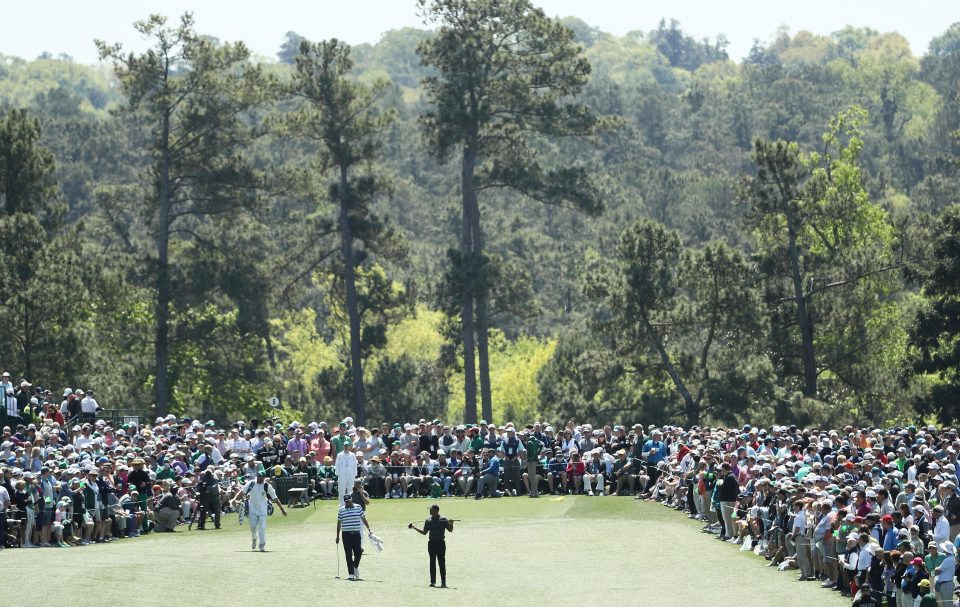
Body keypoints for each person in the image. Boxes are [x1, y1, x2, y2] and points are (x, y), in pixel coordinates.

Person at [409, 504, 454, 587]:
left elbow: (450, 530)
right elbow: (424, 532)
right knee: (432, 562)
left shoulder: (443, 519)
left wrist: (451, 523)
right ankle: (433, 581)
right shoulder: (428, 520)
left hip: (441, 543)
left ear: (436, 511)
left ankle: (443, 582)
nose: (429, 511)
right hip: (431, 544)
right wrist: (414, 527)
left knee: (441, 562)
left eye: (431, 509)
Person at [242, 469, 287, 551]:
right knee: (252, 527)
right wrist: (234, 499)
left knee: (262, 528)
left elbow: (275, 498)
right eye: (257, 475)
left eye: (259, 476)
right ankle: (254, 538)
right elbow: (242, 491)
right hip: (252, 509)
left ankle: (262, 545)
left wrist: (282, 509)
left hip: (263, 509)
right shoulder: (251, 483)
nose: (257, 477)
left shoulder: (267, 486)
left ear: (263, 477)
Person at [336, 493, 371, 581]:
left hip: (356, 534)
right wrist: (337, 536)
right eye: (346, 502)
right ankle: (351, 573)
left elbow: (363, 519)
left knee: (358, 552)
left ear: (351, 500)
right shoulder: (341, 510)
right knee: (348, 554)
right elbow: (339, 523)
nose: (348, 503)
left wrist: (369, 529)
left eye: (349, 501)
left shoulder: (358, 507)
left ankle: (355, 566)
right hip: (346, 535)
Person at [335, 441, 357, 507]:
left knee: (351, 488)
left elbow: (354, 465)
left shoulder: (353, 455)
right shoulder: (339, 455)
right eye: (345, 446)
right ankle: (342, 504)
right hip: (342, 474)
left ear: (349, 446)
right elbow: (337, 465)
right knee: (341, 489)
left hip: (351, 474)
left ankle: (351, 502)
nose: (346, 447)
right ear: (343, 446)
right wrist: (338, 474)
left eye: (347, 446)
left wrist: (354, 474)